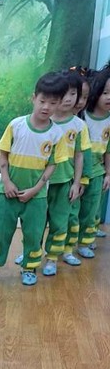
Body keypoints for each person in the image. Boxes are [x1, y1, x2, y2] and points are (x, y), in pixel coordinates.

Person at [0, 72, 68, 287]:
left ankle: (29, 268)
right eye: (43, 101)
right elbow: (2, 154)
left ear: (59, 104)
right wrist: (7, 182)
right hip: (7, 193)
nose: (46, 107)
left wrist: (36, 189)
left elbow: (52, 165)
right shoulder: (16, 125)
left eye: (53, 103)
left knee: (34, 234)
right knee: (0, 233)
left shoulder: (57, 134)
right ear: (33, 98)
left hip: (36, 196)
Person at [39, 70, 90, 273]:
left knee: (60, 222)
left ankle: (53, 257)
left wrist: (77, 182)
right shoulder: (42, 122)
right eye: (65, 93)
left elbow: (79, 156)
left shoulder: (79, 126)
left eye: (73, 93)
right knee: (36, 221)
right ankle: (31, 251)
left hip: (64, 182)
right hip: (41, 182)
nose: (69, 98)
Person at [76, 69, 110, 259]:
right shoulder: (82, 117)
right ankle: (66, 243)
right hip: (77, 170)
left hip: (97, 171)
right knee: (73, 209)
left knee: (91, 209)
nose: (108, 97)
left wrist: (108, 173)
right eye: (105, 92)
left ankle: (85, 241)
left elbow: (108, 150)